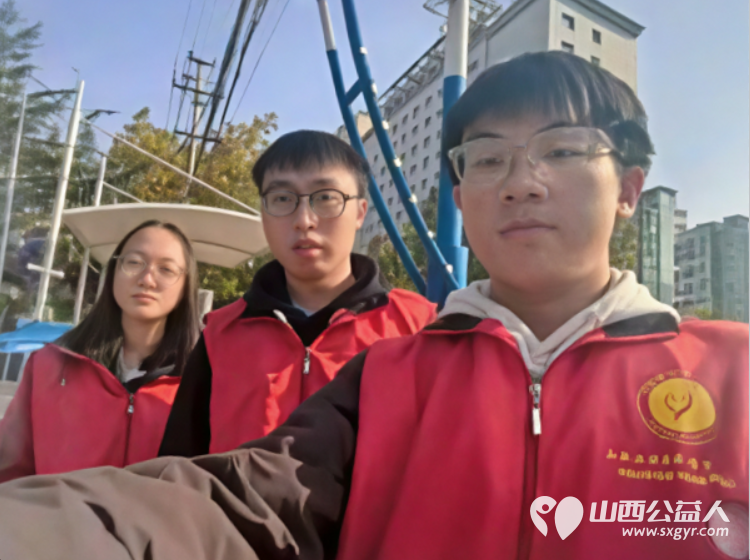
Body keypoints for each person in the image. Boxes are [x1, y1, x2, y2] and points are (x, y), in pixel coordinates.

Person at [0, 52, 746, 560]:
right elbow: (226, 496)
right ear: (461, 196)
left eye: (561, 150)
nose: (522, 182)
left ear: (630, 188)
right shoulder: (385, 375)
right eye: (489, 158)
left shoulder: (733, 374)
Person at [158, 130, 436, 457]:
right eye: (282, 199)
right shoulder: (220, 336)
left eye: (326, 197)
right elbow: (178, 467)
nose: (304, 220)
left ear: (360, 212)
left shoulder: (420, 328)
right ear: (263, 213)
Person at [0, 220, 200, 481]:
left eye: (166, 269)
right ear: (114, 272)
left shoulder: (204, 382)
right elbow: (9, 468)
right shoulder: (49, 365)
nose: (147, 279)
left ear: (186, 285)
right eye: (134, 262)